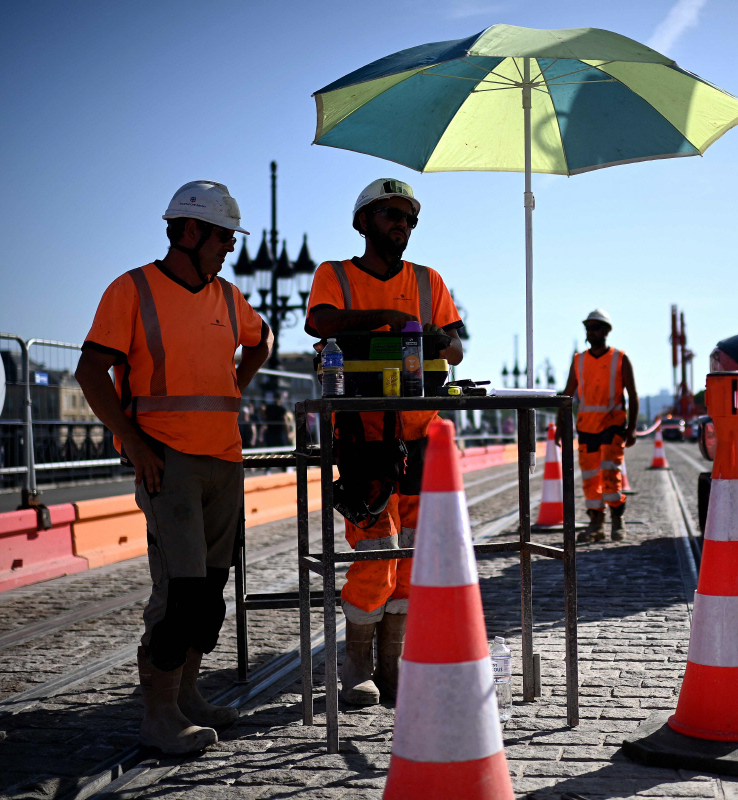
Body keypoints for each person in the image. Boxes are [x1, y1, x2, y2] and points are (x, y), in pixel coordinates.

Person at [76, 180, 272, 754]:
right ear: (190, 231)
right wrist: (134, 446)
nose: (229, 247)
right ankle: (159, 713)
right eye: (223, 237)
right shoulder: (131, 290)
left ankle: (188, 696)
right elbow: (91, 372)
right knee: (180, 590)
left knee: (210, 592)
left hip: (224, 461)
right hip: (168, 463)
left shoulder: (228, 298)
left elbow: (260, 341)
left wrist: (235, 386)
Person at [305, 178, 464, 706]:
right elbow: (319, 322)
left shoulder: (428, 280)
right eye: (392, 214)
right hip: (361, 438)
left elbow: (456, 348)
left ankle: (393, 666)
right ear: (364, 221)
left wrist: (439, 338)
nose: (403, 225)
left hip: (419, 438)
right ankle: (355, 664)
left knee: (414, 556)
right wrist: (389, 320)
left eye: (410, 218)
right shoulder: (336, 275)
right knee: (376, 551)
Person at [558, 309, 639, 542]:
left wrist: (631, 428)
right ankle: (596, 523)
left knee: (610, 476)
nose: (591, 332)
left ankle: (617, 518)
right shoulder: (579, 360)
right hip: (586, 429)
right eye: (588, 328)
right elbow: (567, 395)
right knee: (590, 479)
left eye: (595, 328)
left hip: (613, 426)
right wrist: (559, 426)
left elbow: (633, 394)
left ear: (606, 331)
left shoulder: (620, 358)